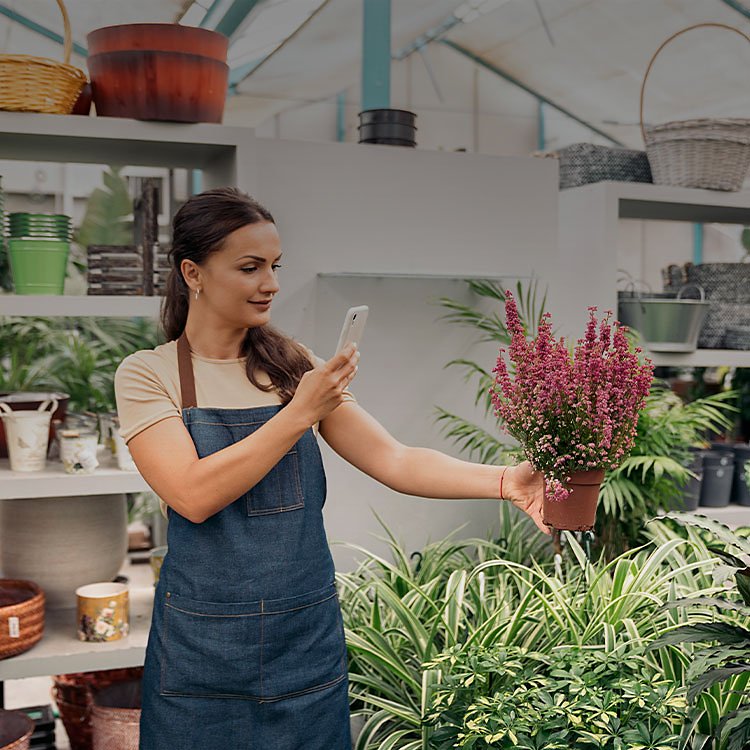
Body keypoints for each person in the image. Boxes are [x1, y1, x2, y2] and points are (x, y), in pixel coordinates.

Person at [114, 187, 548, 750]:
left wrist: (504, 481)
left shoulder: (293, 366)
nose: (270, 283)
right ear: (193, 273)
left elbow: (395, 459)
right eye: (250, 267)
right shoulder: (148, 374)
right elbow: (192, 494)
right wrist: (300, 413)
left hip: (303, 638)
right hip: (204, 649)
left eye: (274, 266)